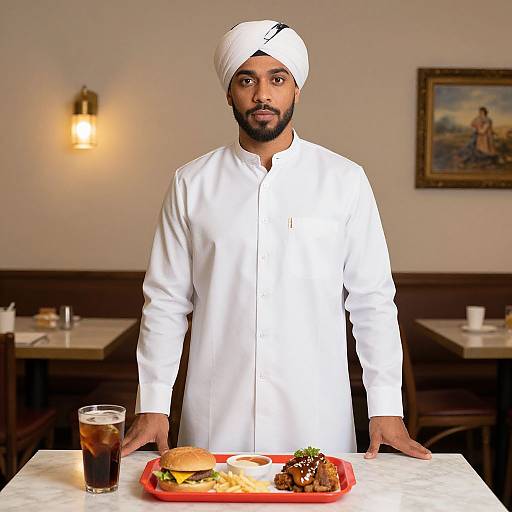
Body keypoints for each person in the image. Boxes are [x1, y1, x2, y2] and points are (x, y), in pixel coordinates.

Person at [121, 20, 431, 461]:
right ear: (229, 93)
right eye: (246, 80)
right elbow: (166, 301)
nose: (262, 95)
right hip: (215, 417)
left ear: (296, 90)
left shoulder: (344, 181)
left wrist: (386, 407)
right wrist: (153, 403)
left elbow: (372, 302)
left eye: (277, 79)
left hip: (317, 416)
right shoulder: (191, 183)